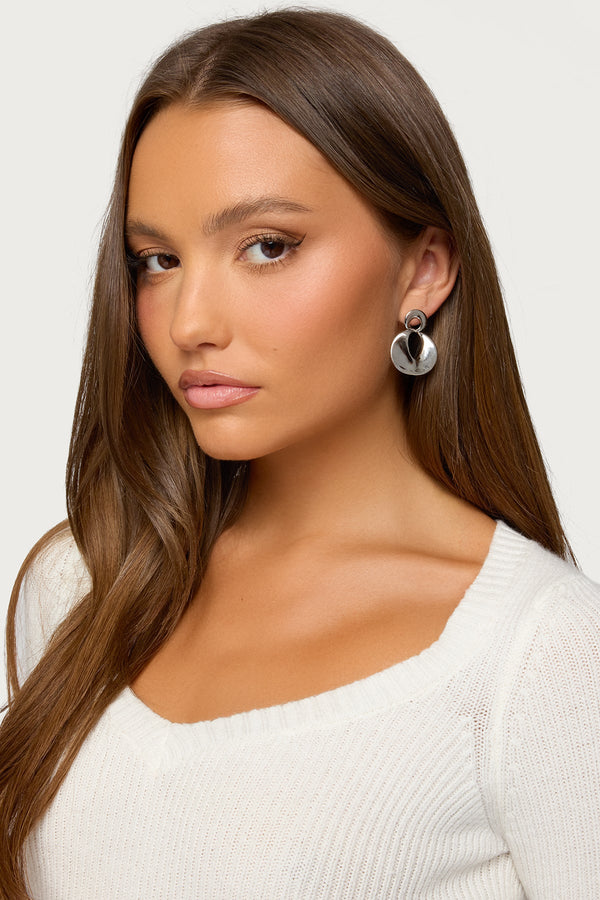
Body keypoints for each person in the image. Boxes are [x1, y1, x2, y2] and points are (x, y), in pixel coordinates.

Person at [1, 8, 598, 898]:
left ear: (424, 270)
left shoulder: (542, 656)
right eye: (156, 260)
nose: (190, 323)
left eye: (267, 247)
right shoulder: (87, 584)